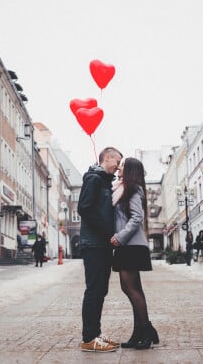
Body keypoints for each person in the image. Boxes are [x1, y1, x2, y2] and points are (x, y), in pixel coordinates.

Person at [110, 157, 159, 350]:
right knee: (130, 288)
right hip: (127, 245)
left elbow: (137, 217)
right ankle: (141, 331)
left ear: (130, 170)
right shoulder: (121, 188)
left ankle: (146, 331)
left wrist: (120, 237)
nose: (119, 168)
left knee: (131, 289)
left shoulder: (133, 189)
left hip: (131, 245)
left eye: (122, 166)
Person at [78, 147, 123, 352]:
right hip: (94, 243)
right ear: (107, 158)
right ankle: (89, 338)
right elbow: (84, 208)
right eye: (118, 161)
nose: (119, 166)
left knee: (100, 290)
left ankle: (95, 334)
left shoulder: (103, 181)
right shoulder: (94, 179)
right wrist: (107, 233)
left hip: (101, 244)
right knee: (94, 290)